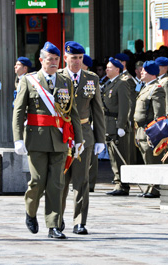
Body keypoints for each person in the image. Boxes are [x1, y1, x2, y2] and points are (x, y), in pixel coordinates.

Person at [12, 41, 83, 239]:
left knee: (56, 184)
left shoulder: (65, 81)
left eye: (56, 60)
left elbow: (72, 112)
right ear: (41, 60)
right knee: (37, 182)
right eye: (49, 59)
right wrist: (18, 139)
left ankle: (53, 226)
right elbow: (18, 112)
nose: (53, 63)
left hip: (60, 140)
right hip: (36, 139)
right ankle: (30, 211)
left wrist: (78, 139)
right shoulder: (29, 80)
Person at [58, 41, 105, 235]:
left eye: (79, 58)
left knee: (82, 180)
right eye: (73, 58)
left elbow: (98, 110)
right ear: (65, 57)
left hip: (84, 134)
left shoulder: (91, 79)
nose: (76, 61)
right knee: (59, 180)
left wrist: (100, 138)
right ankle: (57, 219)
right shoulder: (56, 78)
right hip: (61, 135)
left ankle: (79, 221)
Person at [134, 61, 165, 198]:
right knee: (147, 160)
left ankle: (155, 188)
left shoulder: (156, 88)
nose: (141, 72)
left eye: (144, 71)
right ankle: (150, 186)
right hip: (141, 129)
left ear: (152, 73)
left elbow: (159, 114)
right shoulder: (145, 87)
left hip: (149, 129)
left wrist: (154, 133)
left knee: (152, 160)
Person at [102, 57, 130, 196]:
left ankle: (123, 185)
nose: (107, 69)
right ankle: (118, 181)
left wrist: (121, 125)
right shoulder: (109, 84)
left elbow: (124, 107)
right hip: (108, 124)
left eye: (109, 67)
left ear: (117, 70)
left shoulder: (121, 84)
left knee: (119, 156)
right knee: (113, 156)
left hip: (115, 124)